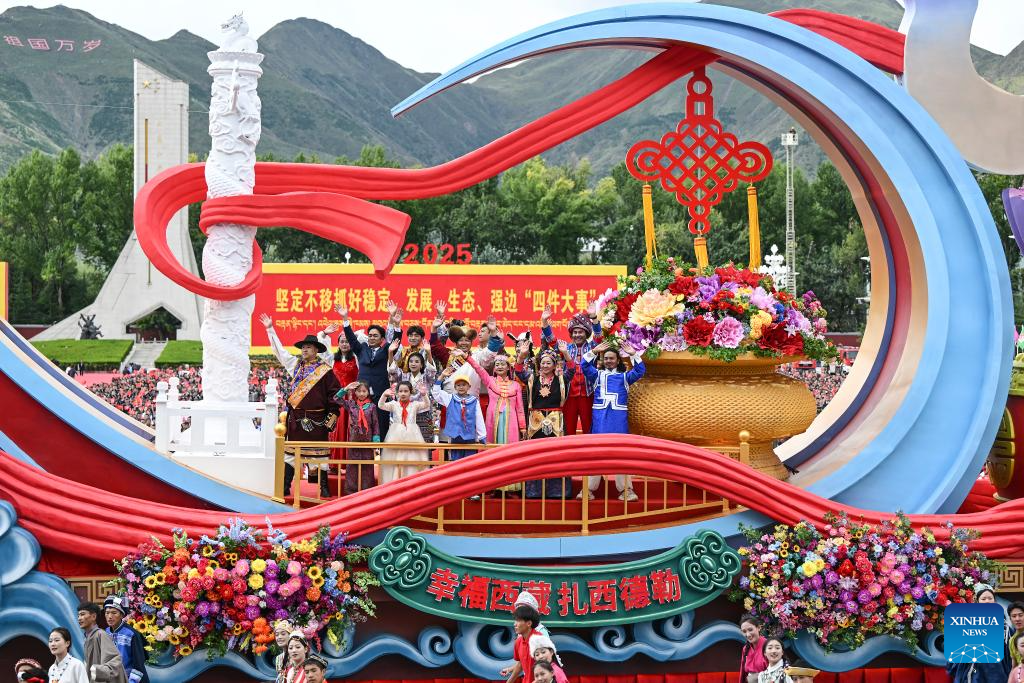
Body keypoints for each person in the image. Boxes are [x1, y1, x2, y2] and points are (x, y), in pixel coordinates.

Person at [260, 314, 342, 499]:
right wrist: (270, 329)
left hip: (318, 420)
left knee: (320, 456)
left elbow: (335, 395)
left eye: (308, 347)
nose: (304, 349)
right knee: (291, 454)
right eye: (303, 347)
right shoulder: (295, 365)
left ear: (316, 350)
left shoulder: (325, 370)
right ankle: (285, 486)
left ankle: (323, 487)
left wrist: (333, 415)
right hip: (296, 419)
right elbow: (280, 352)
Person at [579, 340, 646, 501]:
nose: (609, 361)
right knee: (595, 453)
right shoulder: (597, 375)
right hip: (600, 419)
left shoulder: (625, 377)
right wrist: (594, 351)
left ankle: (626, 490)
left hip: (618, 420)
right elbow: (584, 366)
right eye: (606, 358)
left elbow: (640, 370)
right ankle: (588, 490)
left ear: (617, 360)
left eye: (612, 358)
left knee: (621, 453)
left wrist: (633, 354)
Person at [516, 344, 575, 499]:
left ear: (554, 365)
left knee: (557, 455)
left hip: (556, 420)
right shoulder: (532, 379)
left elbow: (572, 369)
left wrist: (565, 353)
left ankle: (558, 491)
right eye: (543, 362)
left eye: (549, 363)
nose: (545, 365)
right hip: (535, 421)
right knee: (534, 455)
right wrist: (522, 355)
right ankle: (533, 491)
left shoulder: (561, 379)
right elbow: (518, 371)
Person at [337, 303, 398, 438]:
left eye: (375, 336)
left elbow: (395, 341)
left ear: (382, 339)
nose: (371, 338)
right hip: (362, 393)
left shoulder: (386, 350)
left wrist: (394, 320)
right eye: (370, 335)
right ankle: (362, 451)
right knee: (361, 426)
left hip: (380, 394)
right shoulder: (362, 349)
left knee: (381, 426)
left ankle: (381, 451)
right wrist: (345, 318)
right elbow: (351, 338)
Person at [540, 306, 602, 436]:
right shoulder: (566, 348)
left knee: (589, 427)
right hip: (569, 394)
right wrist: (544, 322)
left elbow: (598, 336)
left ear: (586, 333)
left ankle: (590, 448)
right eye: (575, 332)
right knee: (569, 428)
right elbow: (551, 340)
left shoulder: (592, 347)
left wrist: (594, 318)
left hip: (588, 393)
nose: (577, 335)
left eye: (580, 332)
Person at [948, 584, 1012, 683]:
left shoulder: (1005, 628)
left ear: (994, 601)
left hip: (997, 673)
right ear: (977, 601)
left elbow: (1010, 654)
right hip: (973, 672)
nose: (987, 601)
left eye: (990, 598)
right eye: (983, 599)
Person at [432, 355, 486, 463]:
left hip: (470, 437)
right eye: (458, 385)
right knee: (455, 462)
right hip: (455, 436)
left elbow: (479, 418)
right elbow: (436, 393)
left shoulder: (474, 401)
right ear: (455, 387)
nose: (461, 387)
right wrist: (441, 376)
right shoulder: (450, 398)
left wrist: (482, 436)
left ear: (469, 387)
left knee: (470, 462)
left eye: (464, 385)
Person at [378, 381, 430, 483]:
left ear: (410, 392)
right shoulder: (394, 404)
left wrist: (424, 395)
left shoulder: (415, 405)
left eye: (406, 391)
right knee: (397, 456)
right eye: (401, 391)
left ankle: (411, 479)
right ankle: (396, 479)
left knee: (412, 456)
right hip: (396, 435)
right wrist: (384, 395)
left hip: (412, 435)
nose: (403, 393)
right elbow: (381, 405)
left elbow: (427, 405)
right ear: (397, 393)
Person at [335, 381, 380, 494]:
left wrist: (376, 439)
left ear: (368, 392)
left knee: (367, 466)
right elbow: (336, 398)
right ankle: (351, 491)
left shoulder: (372, 406)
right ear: (355, 392)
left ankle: (367, 491)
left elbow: (375, 423)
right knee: (352, 466)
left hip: (367, 440)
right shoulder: (351, 405)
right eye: (359, 391)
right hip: (354, 439)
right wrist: (346, 388)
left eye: (364, 391)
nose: (361, 393)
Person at [388, 342, 436, 442]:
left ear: (421, 365)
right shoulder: (403, 376)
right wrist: (390, 352)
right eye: (411, 361)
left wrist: (428, 352)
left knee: (425, 440)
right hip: (406, 412)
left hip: (423, 412)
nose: (413, 364)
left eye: (417, 362)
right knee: (407, 440)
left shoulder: (426, 377)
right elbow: (393, 371)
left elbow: (432, 371)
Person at [77, 602, 126, 683]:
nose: (79, 618)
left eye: (82, 614)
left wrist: (97, 671)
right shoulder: (88, 637)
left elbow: (116, 660)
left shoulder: (101, 634)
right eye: (78, 615)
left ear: (93, 616)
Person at [103, 595, 148, 683]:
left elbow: (138, 663)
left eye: (114, 613)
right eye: (107, 613)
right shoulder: (106, 632)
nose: (110, 616)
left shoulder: (131, 634)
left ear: (122, 615)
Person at [329, 334, 359, 464]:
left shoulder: (356, 358)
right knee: (337, 427)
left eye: (347, 341)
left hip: (352, 397)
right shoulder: (332, 359)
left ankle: (350, 462)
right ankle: (336, 461)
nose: (345, 344)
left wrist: (353, 335)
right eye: (342, 341)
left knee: (351, 427)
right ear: (338, 343)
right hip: (337, 397)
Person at [499, 604, 543, 683]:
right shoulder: (518, 642)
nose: (514, 624)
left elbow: (547, 667)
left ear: (529, 623)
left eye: (518, 621)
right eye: (515, 620)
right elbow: (520, 664)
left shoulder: (540, 640)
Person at [738, 614, 768, 683]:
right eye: (744, 631)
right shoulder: (745, 649)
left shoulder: (769, 646)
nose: (748, 634)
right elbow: (743, 674)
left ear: (759, 628)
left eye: (750, 630)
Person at [1009, 602, 1024, 667]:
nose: (1017, 619)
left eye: (1020, 615)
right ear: (1010, 619)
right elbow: (1014, 666)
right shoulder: (1011, 640)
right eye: (1014, 616)